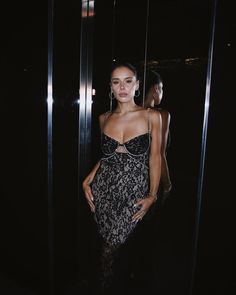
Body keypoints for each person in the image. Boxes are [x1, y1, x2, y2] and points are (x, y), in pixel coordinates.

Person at [82, 62, 162, 294]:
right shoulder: (103, 118)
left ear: (137, 86)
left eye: (128, 81)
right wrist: (89, 177)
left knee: (110, 249)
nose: (122, 87)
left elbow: (155, 158)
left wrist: (152, 195)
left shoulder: (151, 116)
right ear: (111, 87)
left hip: (133, 192)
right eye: (116, 82)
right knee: (104, 245)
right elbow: (108, 156)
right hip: (104, 190)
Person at [143, 70, 172, 203]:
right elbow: (160, 154)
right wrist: (167, 185)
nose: (162, 92)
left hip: (132, 178)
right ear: (155, 88)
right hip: (152, 181)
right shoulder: (161, 115)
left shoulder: (131, 114)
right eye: (162, 88)